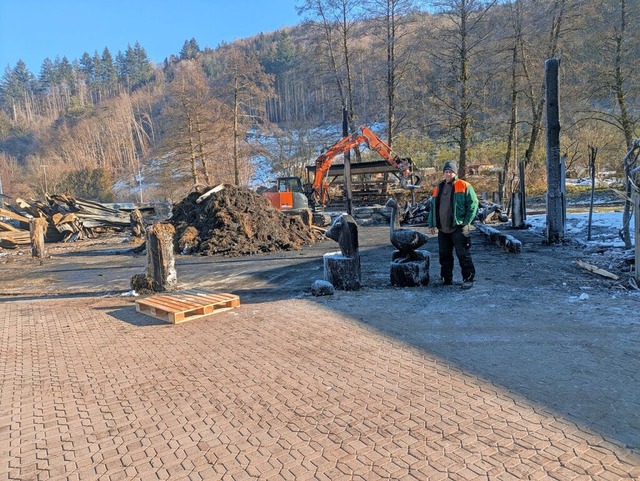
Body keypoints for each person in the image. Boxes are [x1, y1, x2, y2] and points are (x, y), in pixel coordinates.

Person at [427, 161, 479, 289]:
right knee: (444, 255)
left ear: (455, 172)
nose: (448, 173)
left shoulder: (464, 185)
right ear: (443, 173)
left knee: (463, 254)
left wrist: (466, 221)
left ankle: (468, 278)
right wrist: (432, 224)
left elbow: (473, 204)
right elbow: (433, 208)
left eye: (450, 171)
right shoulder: (438, 188)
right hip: (442, 229)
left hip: (458, 227)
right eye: (446, 171)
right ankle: (446, 279)